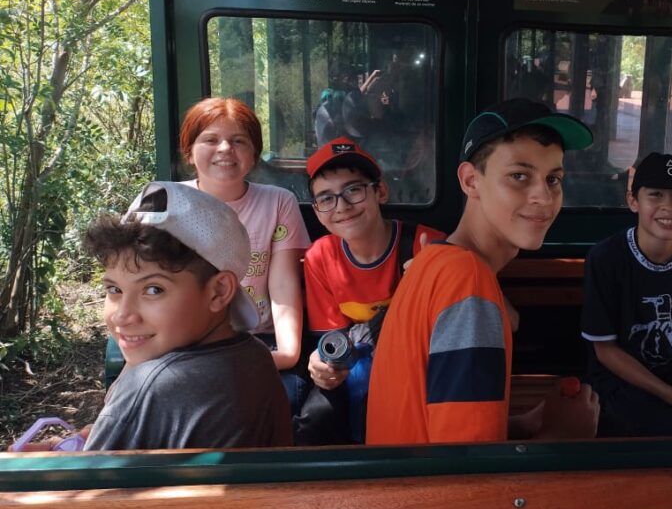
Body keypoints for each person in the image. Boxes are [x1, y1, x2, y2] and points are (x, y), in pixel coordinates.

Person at [365, 98, 600, 444]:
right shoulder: (469, 285)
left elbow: (434, 423)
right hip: (425, 497)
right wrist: (562, 437)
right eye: (519, 176)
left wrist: (525, 424)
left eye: (553, 179)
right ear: (471, 181)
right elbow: (471, 479)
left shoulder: (434, 260)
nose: (544, 197)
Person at [66, 182, 290, 450]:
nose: (123, 315)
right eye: (114, 289)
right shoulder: (256, 356)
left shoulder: (150, 386)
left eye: (153, 289)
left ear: (219, 291)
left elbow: (87, 486)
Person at [300, 137, 445, 443]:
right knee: (316, 417)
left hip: (420, 366)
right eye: (326, 198)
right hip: (357, 366)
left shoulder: (426, 245)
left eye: (353, 189)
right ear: (317, 212)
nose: (342, 206)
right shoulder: (320, 257)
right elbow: (333, 337)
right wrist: (322, 363)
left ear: (380, 191)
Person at [178, 97, 310, 412]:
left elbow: (282, 285)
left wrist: (288, 352)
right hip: (183, 344)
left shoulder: (278, 202)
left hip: (257, 342)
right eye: (210, 139)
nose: (225, 148)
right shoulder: (163, 201)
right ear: (189, 152)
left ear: (253, 155)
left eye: (239, 141)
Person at [581, 153, 672, 436]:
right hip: (618, 383)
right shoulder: (606, 259)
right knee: (670, 430)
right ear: (633, 201)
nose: (668, 207)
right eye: (655, 195)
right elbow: (605, 351)